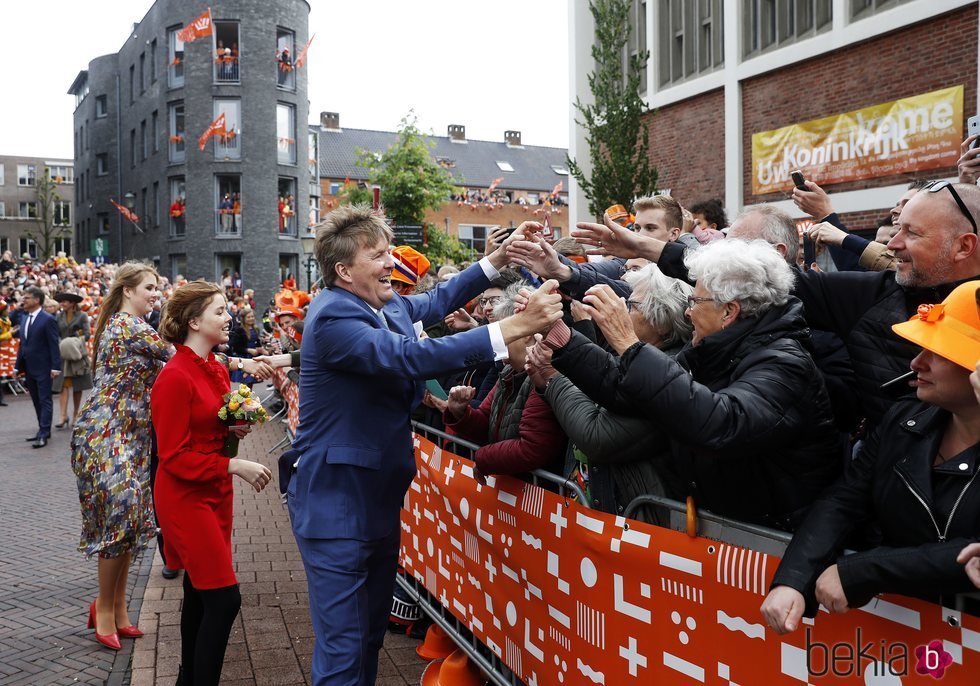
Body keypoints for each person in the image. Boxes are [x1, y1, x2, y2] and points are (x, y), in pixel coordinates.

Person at [285, 206, 562, 685]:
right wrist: (514, 327)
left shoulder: (384, 303)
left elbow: (438, 300)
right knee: (343, 651)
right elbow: (411, 355)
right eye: (377, 255)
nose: (390, 262)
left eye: (389, 250)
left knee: (367, 637)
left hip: (376, 499)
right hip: (337, 505)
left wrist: (498, 257)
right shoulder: (332, 315)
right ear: (344, 271)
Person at [536, 239, 842, 530]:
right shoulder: (710, 352)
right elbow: (624, 390)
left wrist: (629, 346)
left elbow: (720, 423)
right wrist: (562, 337)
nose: (688, 310)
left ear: (728, 311)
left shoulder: (785, 363)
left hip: (776, 542)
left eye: (695, 300)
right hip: (731, 533)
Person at [761, 281, 980, 633]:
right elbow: (846, 498)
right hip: (905, 633)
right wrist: (794, 578)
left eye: (937, 353)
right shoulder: (904, 419)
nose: (915, 363)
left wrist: (862, 571)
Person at [151, 281, 272, 686]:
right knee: (224, 598)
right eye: (220, 312)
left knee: (200, 592)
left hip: (214, 493)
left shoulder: (217, 367)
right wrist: (234, 465)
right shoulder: (173, 377)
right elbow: (172, 457)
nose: (229, 318)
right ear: (193, 321)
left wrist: (237, 426)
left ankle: (189, 677)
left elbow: (216, 425)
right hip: (186, 498)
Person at [527, 264, 693, 519]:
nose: (622, 311)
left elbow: (597, 435)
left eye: (632, 305)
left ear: (661, 321)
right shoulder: (624, 356)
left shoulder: (669, 373)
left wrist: (553, 379)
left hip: (632, 526)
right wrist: (544, 379)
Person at [71, 263, 169, 651]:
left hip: (130, 435)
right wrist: (239, 362)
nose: (155, 295)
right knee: (120, 515)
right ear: (127, 290)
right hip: (103, 434)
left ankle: (116, 608)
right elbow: (177, 353)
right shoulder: (128, 325)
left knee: (128, 524)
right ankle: (106, 610)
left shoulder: (133, 326)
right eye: (150, 287)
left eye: (158, 289)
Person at [15, 286, 61, 449]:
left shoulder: (48, 319)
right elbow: (23, 344)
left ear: (36, 300)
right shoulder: (24, 318)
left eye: (26, 298)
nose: (23, 300)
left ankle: (43, 433)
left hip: (44, 367)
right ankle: (43, 429)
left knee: (45, 399)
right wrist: (17, 367)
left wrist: (55, 367)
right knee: (36, 400)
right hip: (29, 367)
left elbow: (53, 344)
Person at [52, 291, 92, 428]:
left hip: (76, 355)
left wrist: (74, 340)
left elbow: (87, 334)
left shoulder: (82, 316)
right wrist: (61, 343)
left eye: (64, 301)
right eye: (61, 302)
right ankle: (63, 415)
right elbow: (55, 334)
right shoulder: (58, 317)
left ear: (72, 303)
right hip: (63, 355)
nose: (62, 304)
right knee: (63, 385)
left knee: (77, 386)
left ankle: (76, 414)